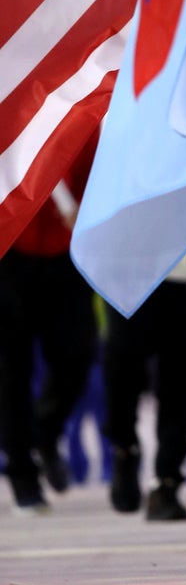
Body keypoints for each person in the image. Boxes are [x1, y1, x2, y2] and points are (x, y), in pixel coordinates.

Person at [0, 140, 99, 514]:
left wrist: (87, 210)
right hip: (8, 250)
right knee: (11, 371)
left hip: (64, 251)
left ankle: (46, 429)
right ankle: (23, 474)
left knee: (77, 354)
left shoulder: (76, 99)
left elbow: (98, 164)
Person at [103, 259, 186, 522]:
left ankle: (166, 481)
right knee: (123, 373)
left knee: (180, 380)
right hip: (126, 272)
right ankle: (124, 449)